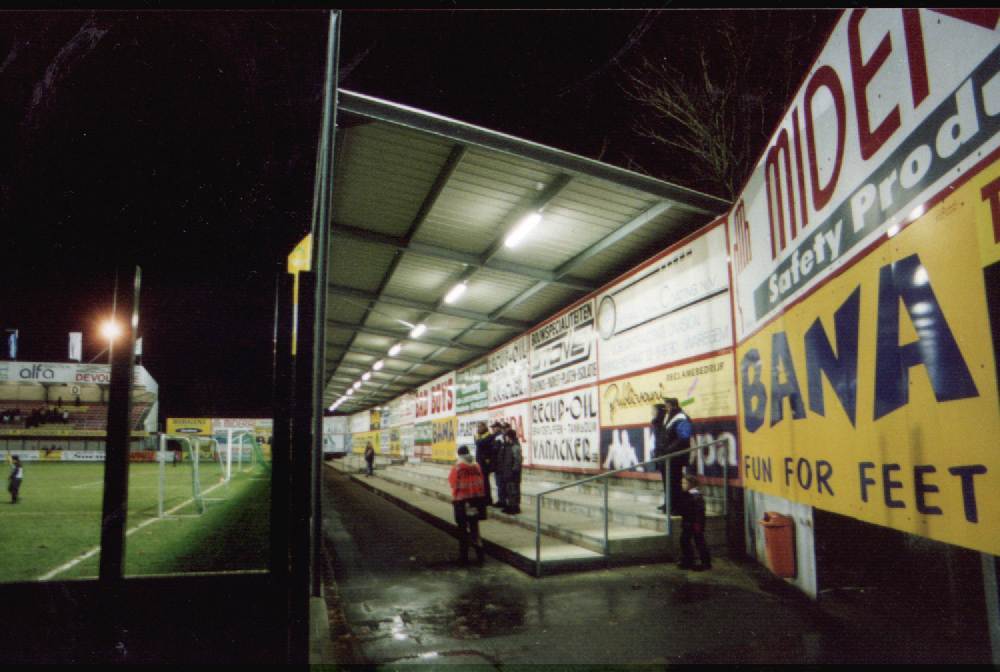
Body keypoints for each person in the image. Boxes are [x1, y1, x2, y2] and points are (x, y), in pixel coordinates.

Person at [447, 445, 486, 565]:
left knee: (462, 530)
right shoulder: (477, 466)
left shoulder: (457, 467)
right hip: (475, 502)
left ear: (459, 455)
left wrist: (455, 495)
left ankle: (464, 558)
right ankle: (480, 558)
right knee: (475, 529)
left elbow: (452, 482)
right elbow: (482, 483)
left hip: (461, 502)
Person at [662, 397, 693, 515]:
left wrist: (669, 450)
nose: (666, 408)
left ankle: (676, 508)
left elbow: (683, 438)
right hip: (670, 456)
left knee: (675, 482)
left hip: (677, 457)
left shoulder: (681, 418)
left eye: (667, 405)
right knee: (670, 482)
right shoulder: (671, 417)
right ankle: (670, 505)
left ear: (672, 406)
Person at [677, 474, 711, 571]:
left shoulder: (695, 495)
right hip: (688, 522)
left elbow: (699, 511)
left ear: (691, 484)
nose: (682, 485)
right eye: (682, 483)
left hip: (694, 523)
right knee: (684, 541)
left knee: (699, 542)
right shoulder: (687, 494)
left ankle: (705, 563)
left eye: (685, 483)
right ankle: (688, 561)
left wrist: (698, 524)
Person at [497, 428, 523, 515]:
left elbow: (517, 461)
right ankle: (510, 505)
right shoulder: (508, 445)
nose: (505, 438)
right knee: (509, 490)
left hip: (513, 473)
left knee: (514, 490)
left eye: (506, 436)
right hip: (507, 472)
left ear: (510, 437)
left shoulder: (515, 446)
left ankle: (515, 507)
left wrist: (514, 471)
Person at [650, 403, 669, 512]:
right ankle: (667, 503)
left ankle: (669, 504)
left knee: (668, 481)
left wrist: (660, 451)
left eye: (654, 410)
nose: (652, 412)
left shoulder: (662, 423)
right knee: (665, 481)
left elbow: (662, 440)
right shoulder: (657, 423)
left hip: (664, 454)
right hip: (660, 454)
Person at [474, 421, 498, 506]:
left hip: (485, 463)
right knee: (481, 483)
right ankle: (483, 498)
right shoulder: (479, 436)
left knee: (485, 482)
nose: (478, 429)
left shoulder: (489, 436)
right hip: (479, 462)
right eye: (478, 427)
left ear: (485, 427)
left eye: (480, 427)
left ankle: (488, 499)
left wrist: (477, 438)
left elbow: (480, 443)